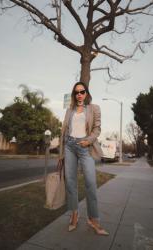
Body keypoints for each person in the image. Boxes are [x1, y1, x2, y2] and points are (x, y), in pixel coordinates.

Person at [58, 82, 109, 236]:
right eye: (76, 92)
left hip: (85, 146)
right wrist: (61, 154)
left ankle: (93, 219)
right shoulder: (69, 110)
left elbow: (97, 128)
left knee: (91, 183)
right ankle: (74, 214)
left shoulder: (94, 108)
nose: (79, 94)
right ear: (74, 95)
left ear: (86, 93)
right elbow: (64, 131)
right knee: (71, 182)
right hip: (69, 146)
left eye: (82, 91)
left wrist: (89, 140)